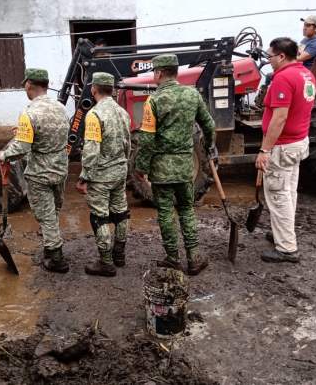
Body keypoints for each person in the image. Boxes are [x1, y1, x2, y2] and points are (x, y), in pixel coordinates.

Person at [134, 54, 216, 275]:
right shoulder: (192, 95)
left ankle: (173, 258)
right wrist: (209, 146)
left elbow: (147, 139)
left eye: (154, 72)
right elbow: (208, 124)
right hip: (185, 167)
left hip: (161, 169)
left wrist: (141, 167)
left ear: (159, 73)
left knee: (166, 212)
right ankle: (194, 257)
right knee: (187, 209)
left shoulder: (154, 101)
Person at [0, 68, 71, 273]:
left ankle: (56, 258)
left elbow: (22, 147)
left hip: (40, 173)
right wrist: (23, 134)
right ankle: (50, 246)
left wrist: (4, 155)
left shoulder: (29, 113)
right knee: (53, 211)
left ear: (29, 85)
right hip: (60, 170)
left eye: (25, 86)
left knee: (45, 216)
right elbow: (58, 137)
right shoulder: (61, 108)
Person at [255, 37, 316, 263]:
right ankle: (283, 233)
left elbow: (279, 118)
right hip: (298, 142)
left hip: (282, 146)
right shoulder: (306, 74)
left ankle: (287, 249)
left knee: (278, 194)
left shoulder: (284, 78)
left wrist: (264, 150)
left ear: (281, 56)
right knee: (289, 191)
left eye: (270, 56)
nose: (268, 60)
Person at [75, 72, 131, 277]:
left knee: (100, 217)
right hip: (120, 171)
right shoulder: (123, 113)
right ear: (113, 90)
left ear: (93, 89)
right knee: (121, 212)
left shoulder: (94, 115)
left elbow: (91, 149)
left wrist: (84, 177)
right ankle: (120, 254)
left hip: (101, 175)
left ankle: (106, 262)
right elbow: (129, 144)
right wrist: (123, 165)